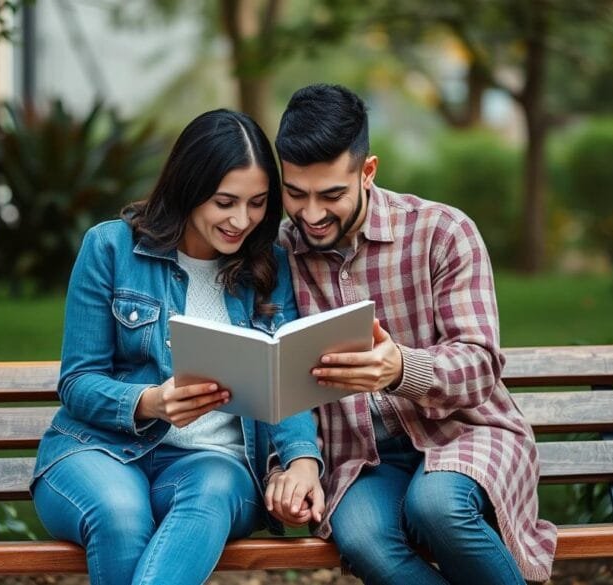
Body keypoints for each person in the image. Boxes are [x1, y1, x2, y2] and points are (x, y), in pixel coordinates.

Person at [269, 83, 557, 584]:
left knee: (437, 505)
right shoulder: (278, 255)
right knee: (359, 536)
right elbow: (272, 380)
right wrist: (289, 466)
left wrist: (403, 368)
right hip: (361, 459)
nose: (311, 215)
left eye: (332, 194)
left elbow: (480, 368)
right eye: (296, 194)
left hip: (465, 432)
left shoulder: (442, 232)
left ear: (368, 171)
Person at [31, 109, 324, 585]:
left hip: (212, 467)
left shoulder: (269, 265)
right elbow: (78, 382)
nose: (241, 220)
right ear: (189, 187)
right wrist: (151, 402)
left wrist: (301, 460)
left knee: (212, 492)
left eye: (257, 203)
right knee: (120, 515)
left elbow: (284, 377)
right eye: (224, 202)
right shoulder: (110, 248)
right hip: (101, 451)